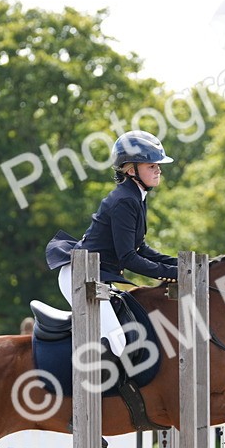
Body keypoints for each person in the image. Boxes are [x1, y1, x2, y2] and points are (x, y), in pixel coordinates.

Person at [45, 130, 177, 355]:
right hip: (81, 276)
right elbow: (129, 257)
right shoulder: (125, 200)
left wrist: (179, 265)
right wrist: (171, 274)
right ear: (131, 169)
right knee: (118, 343)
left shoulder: (136, 196)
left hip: (96, 275)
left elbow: (141, 248)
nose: (158, 170)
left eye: (157, 166)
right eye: (151, 166)